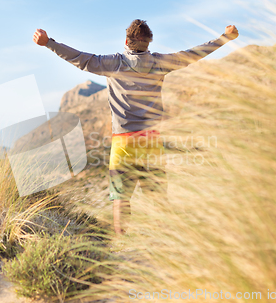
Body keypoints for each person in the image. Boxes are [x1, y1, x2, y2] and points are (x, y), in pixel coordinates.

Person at [33, 20, 239, 235]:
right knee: (157, 197)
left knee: (120, 199)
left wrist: (49, 43)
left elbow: (80, 58)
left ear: (126, 41)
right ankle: (165, 242)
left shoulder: (113, 63)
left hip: (123, 142)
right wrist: (224, 37)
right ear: (148, 43)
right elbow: (194, 53)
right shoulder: (161, 62)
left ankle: (122, 241)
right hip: (151, 140)